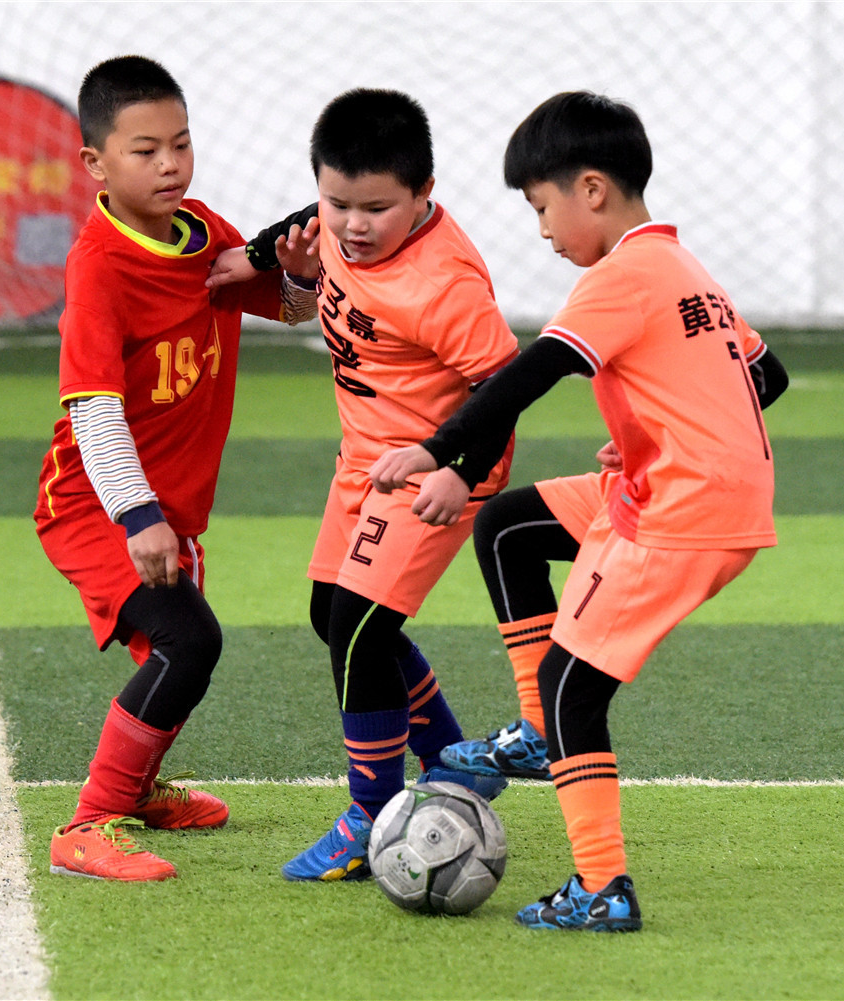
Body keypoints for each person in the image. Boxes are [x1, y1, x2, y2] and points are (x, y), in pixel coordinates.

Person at [370, 91, 789, 930]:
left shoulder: (622, 276)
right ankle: (534, 733)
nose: (544, 231)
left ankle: (602, 886)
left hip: (683, 509)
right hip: (682, 484)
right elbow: (767, 378)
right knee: (510, 527)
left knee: (573, 683)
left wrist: (438, 450)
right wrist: (659, 427)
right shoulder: (680, 266)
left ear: (591, 189)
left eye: (542, 207)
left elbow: (527, 374)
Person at [210, 88, 518, 882]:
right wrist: (234, 270)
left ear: (424, 194)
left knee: (357, 627)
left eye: (376, 208)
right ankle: (460, 765)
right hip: (363, 461)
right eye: (336, 200)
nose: (351, 224)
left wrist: (458, 469)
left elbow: (503, 389)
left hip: (434, 470)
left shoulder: (446, 285)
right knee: (333, 616)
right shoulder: (331, 227)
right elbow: (268, 247)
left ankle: (371, 811)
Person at [34, 55, 320, 882]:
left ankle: (144, 787)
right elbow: (94, 408)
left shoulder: (206, 232)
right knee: (187, 640)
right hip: (93, 503)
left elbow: (291, 310)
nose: (170, 164)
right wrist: (136, 515)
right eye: (145, 149)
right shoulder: (98, 264)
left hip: (169, 504)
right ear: (95, 164)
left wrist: (297, 272)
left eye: (181, 144)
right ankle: (89, 824)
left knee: (175, 654)